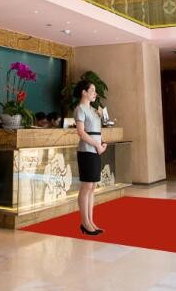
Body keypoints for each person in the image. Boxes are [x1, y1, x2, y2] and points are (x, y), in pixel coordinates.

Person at [74, 79, 105, 236]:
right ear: (84, 92)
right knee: (86, 186)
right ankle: (84, 222)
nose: (95, 93)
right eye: (92, 90)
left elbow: (97, 130)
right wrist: (97, 145)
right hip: (86, 151)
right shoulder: (80, 109)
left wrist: (101, 144)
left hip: (95, 150)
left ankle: (91, 221)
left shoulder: (93, 110)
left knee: (93, 186)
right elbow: (81, 132)